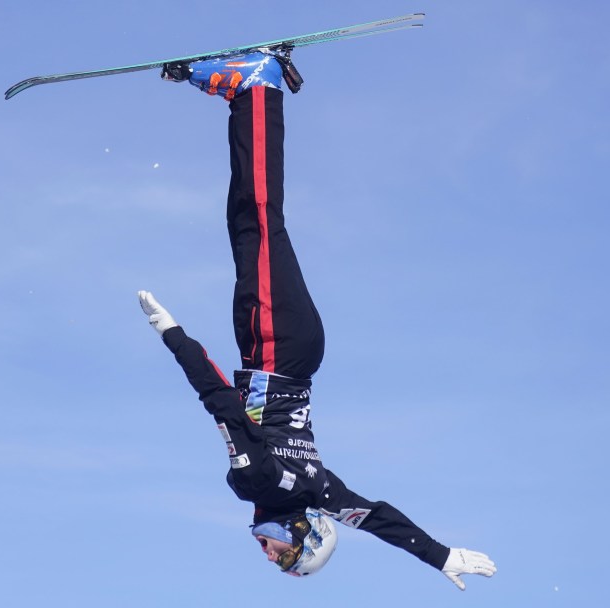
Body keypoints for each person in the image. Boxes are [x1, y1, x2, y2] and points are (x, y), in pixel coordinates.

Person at [137, 50, 496, 588]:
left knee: (249, 226)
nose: (269, 556)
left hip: (285, 350)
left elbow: (377, 519)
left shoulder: (318, 490)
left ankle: (248, 98)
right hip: (275, 347)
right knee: (259, 219)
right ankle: (258, 87)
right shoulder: (260, 484)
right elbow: (220, 403)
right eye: (286, 557)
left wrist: (440, 556)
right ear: (304, 533)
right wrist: (173, 336)